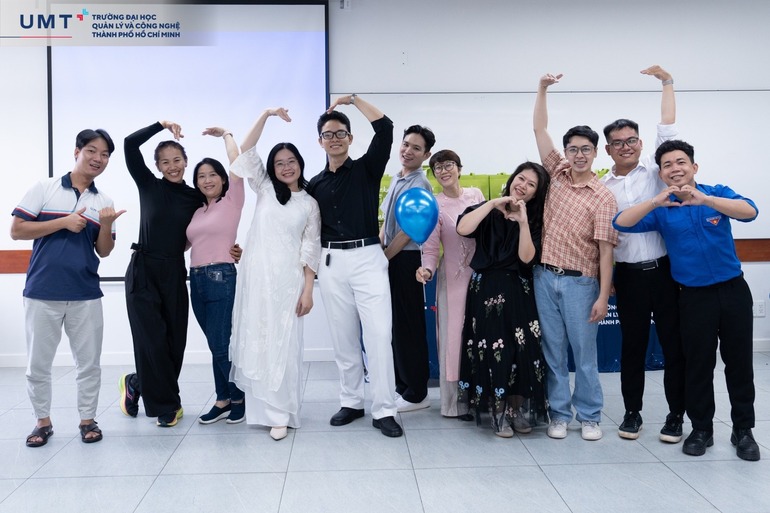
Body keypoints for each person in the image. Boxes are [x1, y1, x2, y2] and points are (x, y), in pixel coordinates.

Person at [613, 139, 760, 461]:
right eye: (667, 165)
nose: (675, 169)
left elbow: (750, 211)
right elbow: (621, 222)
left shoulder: (716, 193)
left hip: (733, 291)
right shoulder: (663, 210)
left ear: (694, 167)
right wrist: (655, 202)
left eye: (680, 162)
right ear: (661, 174)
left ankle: (743, 429)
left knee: (739, 364)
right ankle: (702, 428)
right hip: (693, 298)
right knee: (698, 365)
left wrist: (705, 199)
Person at [11, 128, 123, 446]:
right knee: (38, 365)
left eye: (104, 154)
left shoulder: (104, 201)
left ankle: (88, 420)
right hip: (42, 291)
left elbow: (104, 251)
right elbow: (17, 230)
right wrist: (63, 221)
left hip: (85, 293)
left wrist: (106, 225)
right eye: (92, 151)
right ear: (77, 152)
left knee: (89, 364)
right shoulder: (44, 188)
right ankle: (42, 422)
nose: (98, 158)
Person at [306, 94, 403, 438]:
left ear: (350, 138)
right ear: (320, 141)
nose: (334, 139)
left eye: (340, 133)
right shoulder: (314, 185)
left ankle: (384, 408)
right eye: (328, 134)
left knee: (378, 335)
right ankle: (351, 401)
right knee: (343, 336)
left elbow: (385, 128)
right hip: (331, 261)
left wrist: (353, 101)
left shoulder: (367, 168)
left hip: (367, 258)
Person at [602, 65, 686, 442]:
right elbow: (602, 237)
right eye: (618, 142)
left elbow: (668, 129)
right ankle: (632, 413)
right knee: (632, 348)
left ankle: (676, 415)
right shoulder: (603, 187)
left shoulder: (656, 171)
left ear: (639, 143)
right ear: (608, 149)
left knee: (673, 346)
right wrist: (607, 279)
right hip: (628, 276)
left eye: (632, 140)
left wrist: (667, 83)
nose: (626, 146)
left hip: (665, 272)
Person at [533, 73, 619, 441]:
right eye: (573, 149)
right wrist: (542, 89)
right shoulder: (556, 173)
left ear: (595, 153)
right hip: (544, 277)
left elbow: (606, 250)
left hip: (581, 284)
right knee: (552, 352)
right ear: (566, 152)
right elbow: (540, 129)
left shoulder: (603, 197)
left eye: (585, 149)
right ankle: (558, 414)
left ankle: (589, 416)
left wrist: (603, 295)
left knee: (584, 354)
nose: (579, 155)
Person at [229, 108, 321, 441]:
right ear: (272, 168)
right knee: (259, 340)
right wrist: (266, 115)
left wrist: (308, 290)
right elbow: (246, 149)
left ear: (300, 163)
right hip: (257, 279)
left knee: (284, 345)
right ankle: (263, 413)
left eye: (291, 161)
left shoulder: (309, 203)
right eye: (279, 163)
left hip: (288, 282)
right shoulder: (265, 188)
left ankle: (281, 413)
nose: (286, 167)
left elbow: (310, 249)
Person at [119, 120, 207, 427]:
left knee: (174, 343)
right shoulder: (149, 185)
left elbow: (212, 227)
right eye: (165, 162)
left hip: (173, 271)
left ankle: (136, 383)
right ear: (157, 166)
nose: (172, 166)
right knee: (152, 341)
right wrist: (161, 125)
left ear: (186, 161)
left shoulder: (196, 197)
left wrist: (231, 249)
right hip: (143, 269)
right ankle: (168, 406)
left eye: (177, 160)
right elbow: (129, 143)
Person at [455, 162, 551, 437]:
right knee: (493, 351)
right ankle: (498, 412)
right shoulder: (486, 209)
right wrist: (492, 204)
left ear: (536, 193)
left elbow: (527, 259)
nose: (523, 186)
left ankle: (515, 410)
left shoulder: (534, 220)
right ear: (512, 179)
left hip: (518, 290)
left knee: (521, 351)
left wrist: (522, 222)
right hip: (485, 289)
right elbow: (462, 228)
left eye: (531, 185)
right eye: (521, 178)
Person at [416, 150, 485, 419]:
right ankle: (455, 403)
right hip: (452, 280)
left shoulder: (476, 196)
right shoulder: (435, 205)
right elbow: (431, 248)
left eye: (448, 165)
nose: (444, 171)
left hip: (482, 276)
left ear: (459, 168)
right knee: (453, 338)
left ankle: (483, 398)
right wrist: (427, 269)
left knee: (482, 336)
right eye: (438, 168)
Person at [186, 127, 246, 425]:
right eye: (201, 176)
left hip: (220, 276)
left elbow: (237, 164)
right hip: (195, 279)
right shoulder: (197, 211)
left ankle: (238, 398)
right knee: (214, 343)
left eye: (212, 174)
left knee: (221, 343)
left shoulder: (232, 200)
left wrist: (226, 136)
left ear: (223, 179)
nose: (207, 180)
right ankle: (222, 399)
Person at [380, 124, 435, 412]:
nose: (408, 151)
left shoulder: (419, 184)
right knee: (397, 326)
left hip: (406, 259)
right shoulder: (397, 178)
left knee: (409, 325)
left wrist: (386, 256)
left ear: (426, 155)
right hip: (391, 257)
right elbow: (387, 223)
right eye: (405, 144)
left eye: (416, 147)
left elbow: (409, 230)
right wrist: (379, 251)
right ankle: (403, 386)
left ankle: (417, 393)